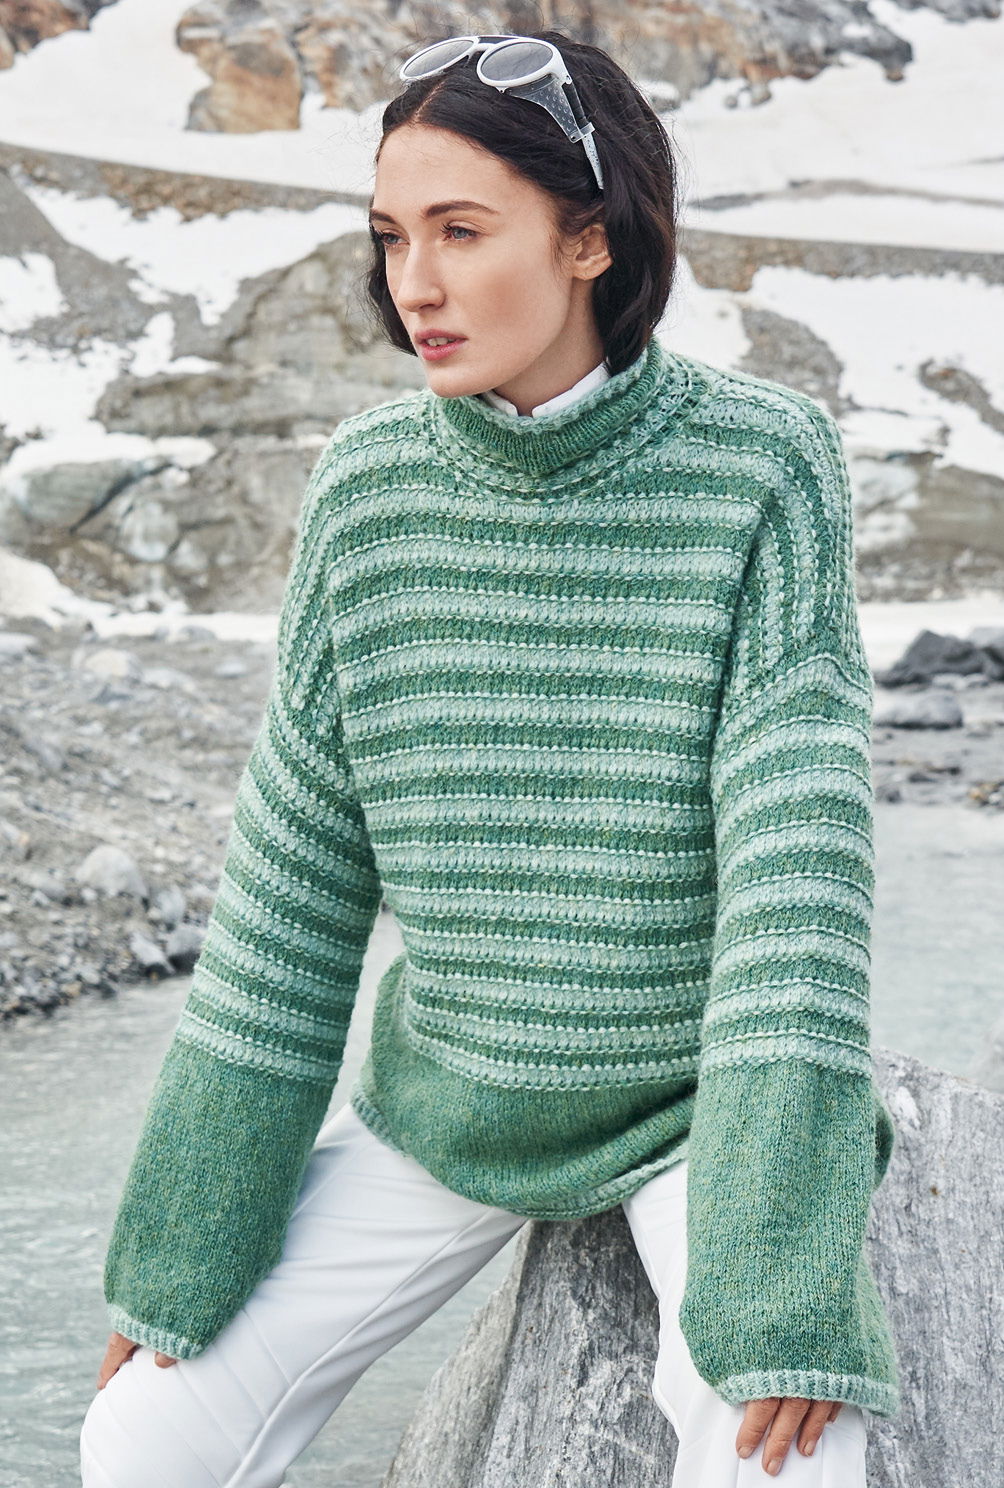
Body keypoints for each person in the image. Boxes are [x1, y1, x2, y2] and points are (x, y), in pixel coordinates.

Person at [79, 30, 901, 1488]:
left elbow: (799, 875)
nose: (414, 283)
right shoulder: (369, 491)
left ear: (591, 236)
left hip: (689, 1106)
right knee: (146, 1439)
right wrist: (177, 1263)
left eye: (461, 231)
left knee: (789, 1466)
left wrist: (779, 1280)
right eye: (393, 236)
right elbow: (290, 897)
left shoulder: (762, 464)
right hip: (448, 1101)